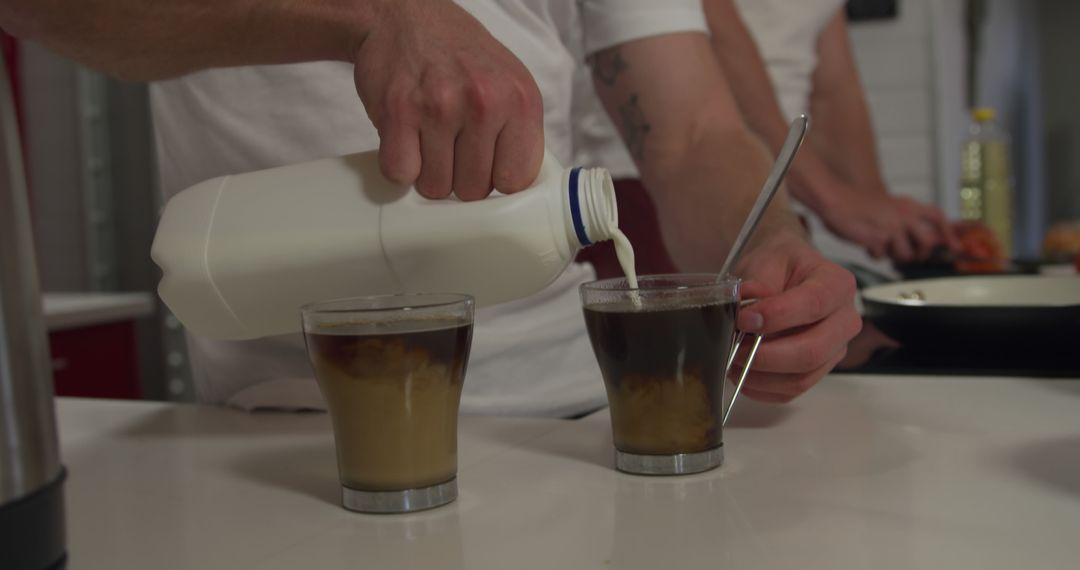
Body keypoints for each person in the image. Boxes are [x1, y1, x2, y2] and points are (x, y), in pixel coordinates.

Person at [2, 0, 859, 414]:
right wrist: (378, 14)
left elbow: (694, 133)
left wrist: (774, 242)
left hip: (576, 410)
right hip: (294, 431)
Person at [576, 0, 960, 274]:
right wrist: (833, 198)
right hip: (657, 195)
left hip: (766, 192)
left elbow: (831, 90)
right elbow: (716, 42)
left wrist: (882, 211)